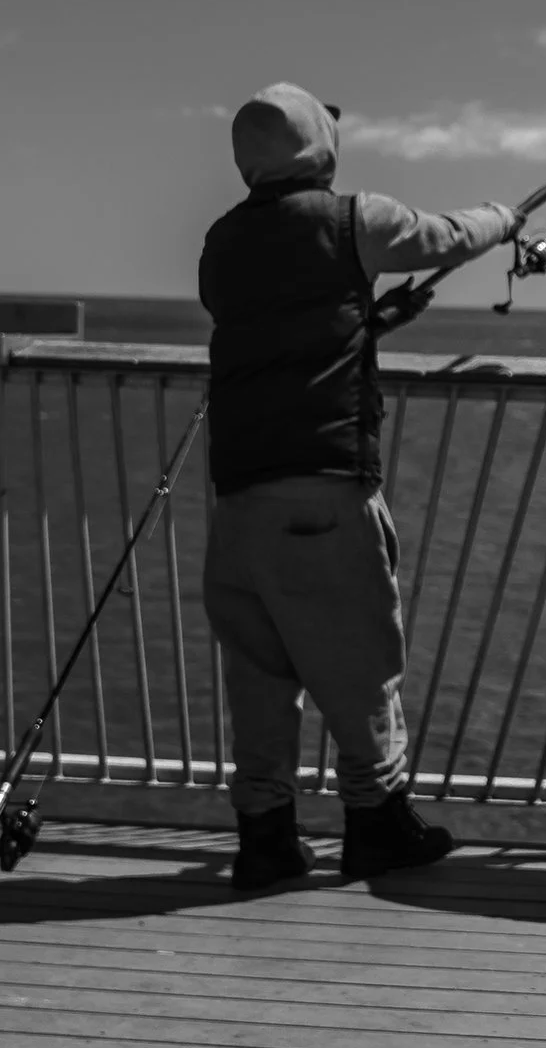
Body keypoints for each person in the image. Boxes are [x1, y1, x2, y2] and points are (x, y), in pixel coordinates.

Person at [199, 83, 514, 892]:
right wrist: (504, 216)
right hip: (324, 481)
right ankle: (377, 822)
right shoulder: (351, 220)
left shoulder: (221, 243)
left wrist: (362, 322)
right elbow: (445, 238)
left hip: (239, 489)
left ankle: (264, 837)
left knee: (260, 670)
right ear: (317, 146)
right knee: (359, 656)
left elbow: (281, 324)